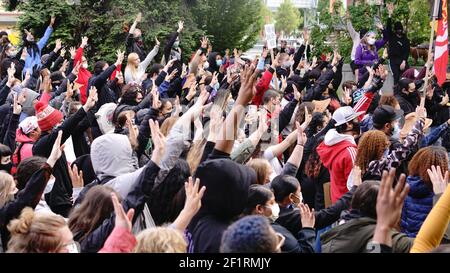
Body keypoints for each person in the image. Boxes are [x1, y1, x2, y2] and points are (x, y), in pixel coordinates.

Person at [317, 106, 363, 203]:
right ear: (348, 124)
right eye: (355, 120)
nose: (358, 121)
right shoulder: (349, 151)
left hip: (338, 202)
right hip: (348, 205)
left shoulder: (331, 145)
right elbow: (354, 186)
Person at [401, 146, 449, 238]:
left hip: (410, 242)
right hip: (432, 245)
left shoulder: (408, 185)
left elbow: (403, 220)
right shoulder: (441, 192)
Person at [386, 3, 410, 85]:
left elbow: (407, 51)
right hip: (392, 59)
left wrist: (404, 61)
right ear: (395, 30)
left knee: (406, 74)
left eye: (400, 30)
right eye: (398, 30)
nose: (399, 31)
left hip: (402, 60)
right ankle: (396, 93)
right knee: (396, 76)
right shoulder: (391, 36)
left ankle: (405, 92)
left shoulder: (405, 39)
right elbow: (388, 28)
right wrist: (390, 15)